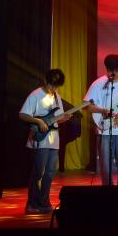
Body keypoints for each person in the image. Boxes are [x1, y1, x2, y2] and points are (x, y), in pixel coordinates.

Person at [18, 68, 73, 214]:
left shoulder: (57, 97)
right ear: (45, 81)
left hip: (54, 139)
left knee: (50, 172)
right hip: (40, 139)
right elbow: (22, 114)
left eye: (56, 86)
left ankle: (44, 202)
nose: (53, 88)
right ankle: (32, 203)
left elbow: (56, 119)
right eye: (51, 85)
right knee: (38, 172)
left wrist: (64, 118)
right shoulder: (35, 95)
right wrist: (38, 121)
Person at [84, 54, 118, 188]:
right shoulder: (98, 84)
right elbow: (87, 106)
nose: (113, 73)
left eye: (116, 70)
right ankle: (108, 193)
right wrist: (103, 111)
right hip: (104, 131)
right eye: (111, 70)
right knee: (105, 165)